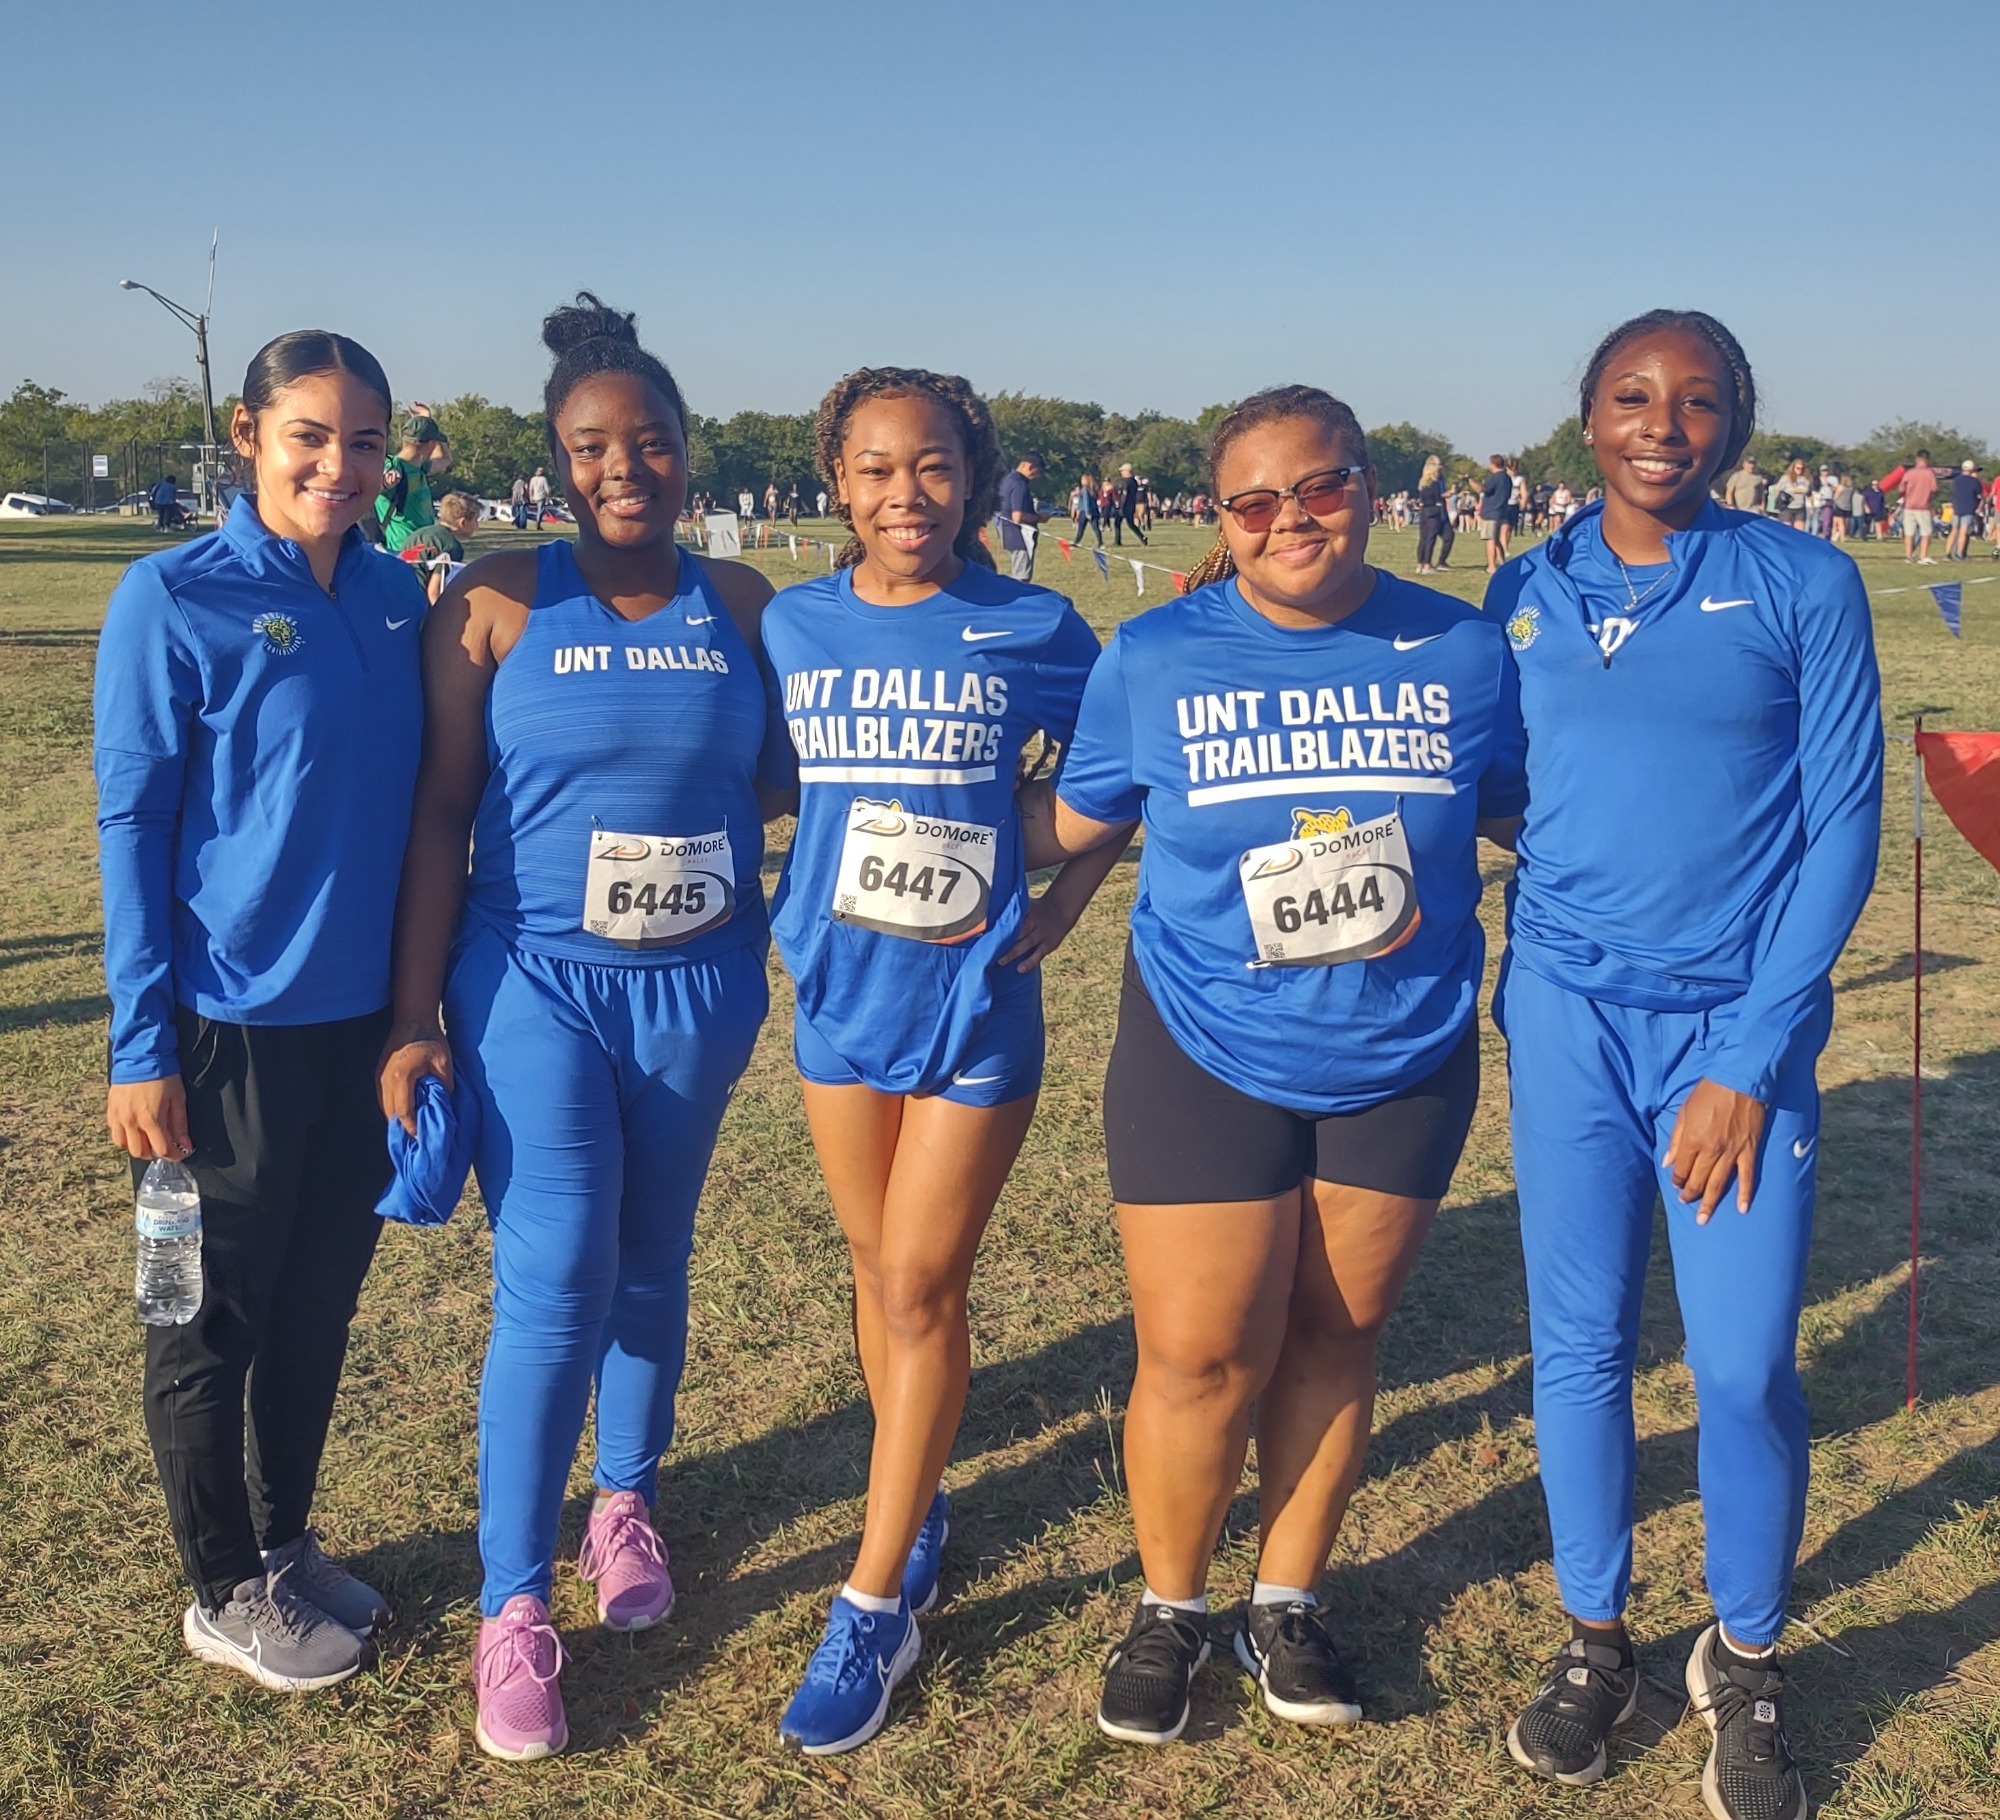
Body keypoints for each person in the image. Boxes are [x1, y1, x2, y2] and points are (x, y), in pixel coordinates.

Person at [1026, 386, 1526, 1747]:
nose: (1288, 519)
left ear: (1367, 488)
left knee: (1333, 1335)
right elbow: (1071, 822)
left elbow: (1533, 810)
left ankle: (1286, 1600)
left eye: (1318, 488)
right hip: (1206, 1045)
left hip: (1403, 1050)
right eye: (1254, 501)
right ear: (1219, 518)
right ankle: (1172, 1607)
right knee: (1196, 1354)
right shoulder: (1156, 654)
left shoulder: (1466, 650)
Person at [378, 294, 793, 1761]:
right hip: (532, 978)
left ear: (691, 452)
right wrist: (412, 1014)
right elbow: (438, 817)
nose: (627, 468)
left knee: (652, 1253)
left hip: (699, 984)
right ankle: (510, 1607)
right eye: (592, 447)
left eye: (653, 442)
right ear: (555, 465)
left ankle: (625, 1503)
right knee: (555, 1266)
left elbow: (813, 776)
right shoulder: (492, 597)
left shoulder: (743, 605)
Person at [1485, 309, 1881, 1820]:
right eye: (1634, 394)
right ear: (1585, 415)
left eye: (1699, 399)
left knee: (1737, 1363)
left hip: (1736, 1037)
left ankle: (1749, 1656)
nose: (1665, 420)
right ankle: (1600, 1643)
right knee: (1579, 1349)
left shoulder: (1802, 579)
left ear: (1739, 426)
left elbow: (1842, 824)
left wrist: (1750, 1047)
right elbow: (1505, 783)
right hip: (1570, 1019)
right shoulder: (1525, 585)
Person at [762, 368, 1114, 1754]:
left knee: (920, 1280)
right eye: (876, 471)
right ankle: (918, 1502)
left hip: (972, 1001)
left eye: (932, 470)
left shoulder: (1031, 623)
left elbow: (1113, 767)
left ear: (973, 480)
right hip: (838, 997)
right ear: (837, 486)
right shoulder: (792, 624)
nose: (906, 496)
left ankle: (872, 1603)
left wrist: (1065, 891)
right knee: (880, 1277)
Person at [95, 330, 425, 1692]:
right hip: (220, 1033)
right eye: (309, 436)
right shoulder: (171, 596)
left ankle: (285, 1542)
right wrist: (140, 1041)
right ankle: (220, 1585)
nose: (338, 467)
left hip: (359, 1034)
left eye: (362, 442)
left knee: (316, 1310)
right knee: (198, 1314)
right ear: (249, 436)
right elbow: (133, 822)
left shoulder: (406, 600)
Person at [376, 409, 452, 552]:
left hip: (424, 550)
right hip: (401, 553)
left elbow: (445, 459)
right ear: (431, 444)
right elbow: (374, 487)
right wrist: (384, 484)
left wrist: (428, 422)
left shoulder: (421, 467)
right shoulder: (393, 465)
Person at [403, 489, 482, 603]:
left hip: (398, 596)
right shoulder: (450, 546)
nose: (477, 526)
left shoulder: (419, 534)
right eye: (476, 520)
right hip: (418, 604)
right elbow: (434, 592)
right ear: (463, 522)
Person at [996, 452, 1046, 581]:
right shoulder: (1019, 484)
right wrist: (1039, 518)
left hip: (1010, 533)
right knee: (1022, 578)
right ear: (1029, 466)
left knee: (1019, 574)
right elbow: (1017, 516)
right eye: (1037, 472)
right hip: (1021, 537)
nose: (1036, 476)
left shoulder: (1008, 480)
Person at [1415, 452, 1454, 572]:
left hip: (1425, 512)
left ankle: (1420, 563)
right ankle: (1427, 564)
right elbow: (1438, 499)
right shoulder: (1435, 484)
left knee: (1424, 538)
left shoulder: (1423, 483)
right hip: (1435, 513)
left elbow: (1424, 500)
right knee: (1430, 538)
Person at [1899, 450, 1940, 563]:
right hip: (1923, 506)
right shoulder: (1929, 473)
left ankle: (1908, 556)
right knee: (1926, 532)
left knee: (1909, 533)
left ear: (1917, 459)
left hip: (1909, 506)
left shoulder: (1909, 473)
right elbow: (1934, 488)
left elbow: (1901, 488)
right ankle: (1923, 555)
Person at [1479, 454, 1512, 571]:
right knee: (1496, 539)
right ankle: (1502, 562)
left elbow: (1483, 489)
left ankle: (1491, 566)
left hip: (1491, 512)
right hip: (1501, 512)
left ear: (1493, 464)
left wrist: (1469, 481)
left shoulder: (1494, 478)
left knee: (1491, 540)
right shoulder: (1507, 478)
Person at [1947, 459, 1982, 560]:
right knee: (1963, 531)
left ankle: (1948, 553)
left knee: (1953, 531)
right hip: (1968, 508)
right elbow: (1979, 495)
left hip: (1957, 508)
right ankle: (1959, 554)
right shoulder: (1975, 482)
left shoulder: (1956, 480)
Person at [1113, 462, 1149, 545]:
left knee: (1117, 523)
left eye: (1123, 471)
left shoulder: (1127, 482)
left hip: (1125, 506)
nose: (1121, 472)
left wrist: (1121, 506)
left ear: (1127, 471)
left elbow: (1124, 495)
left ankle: (1117, 541)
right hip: (1131, 505)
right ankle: (1142, 537)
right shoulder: (1134, 481)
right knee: (1130, 524)